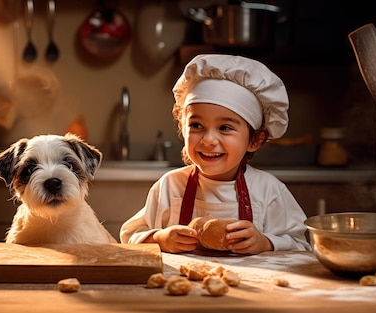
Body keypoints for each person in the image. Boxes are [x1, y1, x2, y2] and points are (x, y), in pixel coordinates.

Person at [120, 54, 311, 254]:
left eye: (225, 127)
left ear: (255, 140)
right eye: (196, 125)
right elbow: (130, 236)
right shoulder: (170, 186)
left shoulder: (269, 190)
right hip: (183, 282)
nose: (208, 140)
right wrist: (160, 238)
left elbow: (301, 246)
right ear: (183, 128)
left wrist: (265, 242)